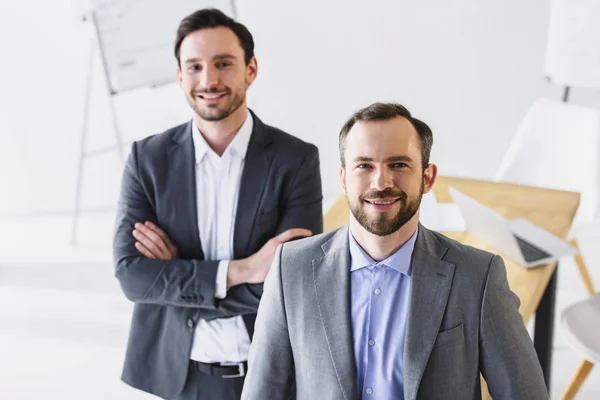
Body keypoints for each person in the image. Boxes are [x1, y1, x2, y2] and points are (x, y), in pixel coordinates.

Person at [241, 102, 548, 399]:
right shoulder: (290, 269)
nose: (381, 181)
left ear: (427, 178)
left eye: (398, 164)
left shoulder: (478, 277)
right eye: (364, 165)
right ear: (344, 179)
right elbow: (263, 392)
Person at [112, 8, 322, 400]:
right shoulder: (148, 159)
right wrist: (244, 269)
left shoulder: (296, 160)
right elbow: (132, 276)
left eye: (223, 63)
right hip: (178, 379)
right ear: (179, 76)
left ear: (251, 69)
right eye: (194, 67)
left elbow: (296, 284)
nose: (208, 80)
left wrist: (177, 277)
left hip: (270, 376)